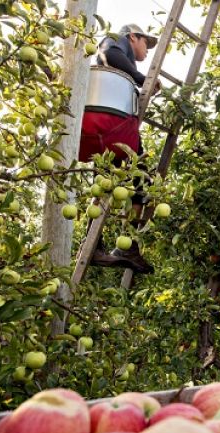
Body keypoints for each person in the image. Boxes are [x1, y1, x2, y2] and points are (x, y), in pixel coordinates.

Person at [84, 24, 160, 274]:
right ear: (132, 37)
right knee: (140, 177)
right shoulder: (117, 41)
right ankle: (121, 245)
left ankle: (96, 246)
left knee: (108, 182)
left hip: (110, 127)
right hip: (112, 123)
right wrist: (142, 79)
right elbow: (108, 53)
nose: (147, 51)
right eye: (145, 44)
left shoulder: (125, 61)